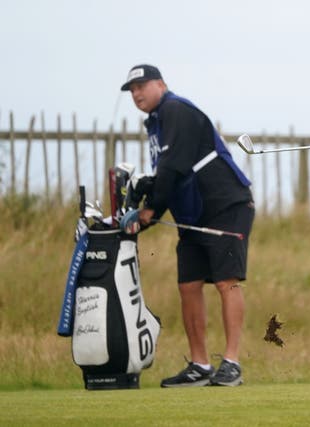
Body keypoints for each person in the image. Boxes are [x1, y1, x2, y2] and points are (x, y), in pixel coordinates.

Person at [120, 64, 255, 387]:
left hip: (226, 205)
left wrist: (149, 210)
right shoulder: (155, 122)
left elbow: (173, 167)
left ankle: (232, 363)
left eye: (142, 85)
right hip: (193, 213)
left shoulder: (176, 110)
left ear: (161, 85)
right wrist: (146, 204)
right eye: (132, 90)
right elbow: (169, 174)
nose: (137, 93)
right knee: (189, 285)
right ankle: (200, 365)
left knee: (227, 282)